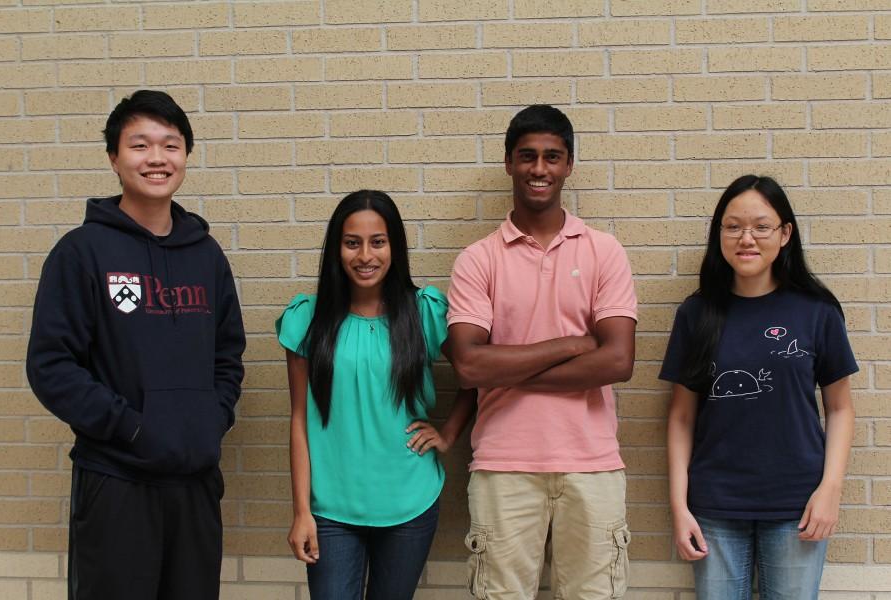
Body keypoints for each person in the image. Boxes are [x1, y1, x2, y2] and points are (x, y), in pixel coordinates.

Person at [25, 90, 246, 600]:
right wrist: (132, 427)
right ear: (114, 158)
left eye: (170, 145)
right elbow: (52, 366)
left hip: (194, 483)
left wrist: (210, 420)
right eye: (139, 145)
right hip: (116, 483)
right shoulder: (81, 252)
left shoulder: (206, 255)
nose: (156, 158)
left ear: (185, 156)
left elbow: (227, 355)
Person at [446, 105, 638, 599]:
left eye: (552, 157)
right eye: (527, 156)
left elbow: (617, 361)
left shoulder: (603, 251)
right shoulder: (478, 260)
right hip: (503, 465)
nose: (539, 168)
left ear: (569, 165)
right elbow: (468, 364)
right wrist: (572, 346)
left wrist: (503, 368)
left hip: (591, 464)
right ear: (509, 162)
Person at [661, 175, 857, 599]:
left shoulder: (817, 312)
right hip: (715, 506)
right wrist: (679, 507)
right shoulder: (697, 314)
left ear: (785, 233)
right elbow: (680, 417)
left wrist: (830, 490)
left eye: (761, 226)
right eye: (732, 227)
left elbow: (840, 408)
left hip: (797, 506)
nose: (746, 238)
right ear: (719, 235)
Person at [276, 189, 476, 600]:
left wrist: (449, 433)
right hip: (331, 508)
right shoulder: (308, 320)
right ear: (337, 249)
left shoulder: (424, 312)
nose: (365, 255)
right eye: (352, 243)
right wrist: (301, 512)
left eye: (377, 242)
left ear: (394, 246)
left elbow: (475, 374)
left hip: (409, 501)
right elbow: (299, 419)